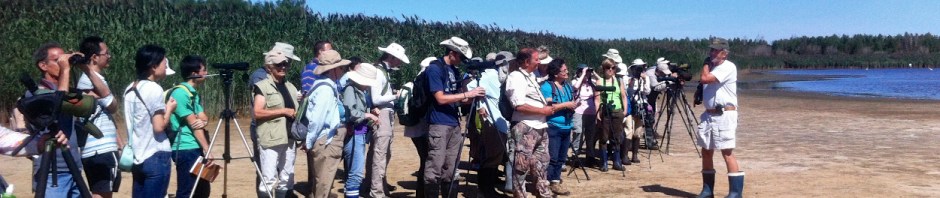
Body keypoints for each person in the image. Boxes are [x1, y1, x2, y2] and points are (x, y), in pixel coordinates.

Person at [506, 48, 576, 198]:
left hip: (541, 127)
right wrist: (543, 111)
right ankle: (520, 195)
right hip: (525, 126)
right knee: (521, 165)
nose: (539, 63)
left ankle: (543, 193)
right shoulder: (516, 77)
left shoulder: (531, 76)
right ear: (526, 62)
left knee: (542, 163)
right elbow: (518, 105)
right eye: (536, 60)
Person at [22, 42, 87, 198]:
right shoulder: (35, 95)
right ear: (43, 65)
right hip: (51, 172)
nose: (64, 63)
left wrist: (86, 68)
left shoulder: (65, 91)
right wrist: (65, 69)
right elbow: (59, 103)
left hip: (74, 168)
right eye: (58, 60)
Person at [423, 37, 485, 197]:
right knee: (435, 165)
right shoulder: (435, 69)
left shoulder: (454, 71)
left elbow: (458, 97)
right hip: (439, 123)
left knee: (451, 166)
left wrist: (472, 98)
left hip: (454, 122)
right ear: (452, 53)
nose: (462, 61)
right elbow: (440, 98)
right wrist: (467, 94)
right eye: (461, 57)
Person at [123, 44, 178, 198]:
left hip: (137, 155)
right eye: (164, 64)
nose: (165, 67)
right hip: (156, 153)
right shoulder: (154, 89)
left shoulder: (130, 88)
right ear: (153, 66)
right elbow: (159, 126)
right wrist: (169, 108)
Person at [75, 36, 123, 198]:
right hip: (101, 149)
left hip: (93, 149)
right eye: (106, 53)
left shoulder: (87, 81)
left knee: (98, 192)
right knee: (102, 194)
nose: (109, 56)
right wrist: (87, 70)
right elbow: (112, 105)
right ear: (94, 58)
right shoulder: (90, 81)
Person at [696, 37, 744, 198]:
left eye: (715, 50)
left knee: (727, 151)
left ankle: (735, 193)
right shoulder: (713, 67)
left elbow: (705, 79)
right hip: (709, 115)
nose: (712, 53)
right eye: (711, 50)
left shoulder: (728, 67)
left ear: (724, 53)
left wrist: (704, 64)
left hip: (724, 114)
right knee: (706, 151)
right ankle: (707, 190)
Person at [252, 42, 301, 198]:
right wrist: (283, 111)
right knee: (268, 178)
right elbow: (257, 113)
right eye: (279, 65)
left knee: (287, 178)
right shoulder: (262, 86)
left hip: (289, 138)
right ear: (269, 67)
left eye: (286, 64)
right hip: (272, 138)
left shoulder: (291, 86)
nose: (283, 68)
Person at [303, 49, 350, 198]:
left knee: (322, 182)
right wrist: (309, 142)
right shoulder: (325, 89)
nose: (343, 70)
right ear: (334, 69)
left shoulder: (322, 85)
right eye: (341, 67)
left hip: (323, 140)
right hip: (326, 141)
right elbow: (318, 119)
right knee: (324, 182)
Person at [366, 42, 410, 197]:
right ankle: (376, 191)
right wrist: (396, 95)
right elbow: (376, 98)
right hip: (383, 113)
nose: (399, 63)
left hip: (386, 113)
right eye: (398, 59)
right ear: (391, 57)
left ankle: (375, 186)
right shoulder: (379, 72)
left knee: (380, 152)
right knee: (380, 153)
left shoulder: (384, 71)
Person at [465, 53, 512, 198]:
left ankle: (487, 190)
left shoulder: (501, 77)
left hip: (501, 123)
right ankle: (485, 191)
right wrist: (480, 100)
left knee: (495, 158)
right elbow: (471, 86)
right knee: (491, 158)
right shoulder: (491, 75)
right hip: (493, 123)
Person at [168, 55, 212, 198]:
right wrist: (207, 149)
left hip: (195, 147)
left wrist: (203, 121)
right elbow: (194, 125)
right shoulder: (180, 93)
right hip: (185, 148)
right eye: (203, 70)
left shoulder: (192, 94)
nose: (206, 73)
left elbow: (203, 118)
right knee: (187, 190)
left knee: (202, 191)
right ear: (194, 73)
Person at [341, 63, 379, 198]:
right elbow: (351, 112)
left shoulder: (358, 90)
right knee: (355, 173)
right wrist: (367, 115)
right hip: (354, 132)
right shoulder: (350, 89)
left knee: (353, 171)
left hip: (359, 132)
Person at [539, 58, 576, 196]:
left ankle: (555, 181)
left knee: (561, 157)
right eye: (564, 70)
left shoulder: (567, 86)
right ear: (555, 73)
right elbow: (549, 107)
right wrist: (567, 105)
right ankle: (547, 183)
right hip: (553, 126)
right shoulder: (547, 87)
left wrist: (571, 105)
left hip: (567, 126)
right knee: (552, 157)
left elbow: (569, 102)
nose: (567, 72)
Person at [403, 56, 436, 198]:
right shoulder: (424, 83)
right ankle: (422, 193)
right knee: (426, 162)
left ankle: (421, 193)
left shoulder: (412, 82)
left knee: (424, 161)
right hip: (422, 128)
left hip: (412, 128)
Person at [594, 58, 628, 172]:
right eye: (608, 68)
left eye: (613, 68)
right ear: (603, 69)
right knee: (603, 137)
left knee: (617, 137)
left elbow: (623, 96)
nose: (610, 70)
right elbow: (597, 99)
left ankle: (616, 161)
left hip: (617, 111)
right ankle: (603, 162)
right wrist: (597, 112)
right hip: (605, 111)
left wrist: (624, 111)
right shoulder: (600, 82)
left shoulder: (619, 81)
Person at [624, 59, 652, 166]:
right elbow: (627, 91)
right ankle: (625, 155)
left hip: (641, 106)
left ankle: (635, 155)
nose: (640, 70)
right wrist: (632, 82)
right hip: (632, 106)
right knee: (629, 130)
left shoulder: (645, 78)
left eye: (641, 68)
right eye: (637, 68)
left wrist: (644, 80)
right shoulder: (628, 79)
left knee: (638, 131)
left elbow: (647, 91)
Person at [570, 64, 598, 167]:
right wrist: (583, 75)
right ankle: (575, 156)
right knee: (578, 132)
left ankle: (590, 157)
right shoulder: (575, 81)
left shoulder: (592, 83)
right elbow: (575, 87)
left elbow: (601, 85)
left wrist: (594, 73)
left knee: (590, 135)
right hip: (578, 111)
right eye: (583, 71)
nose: (587, 74)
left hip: (591, 111)